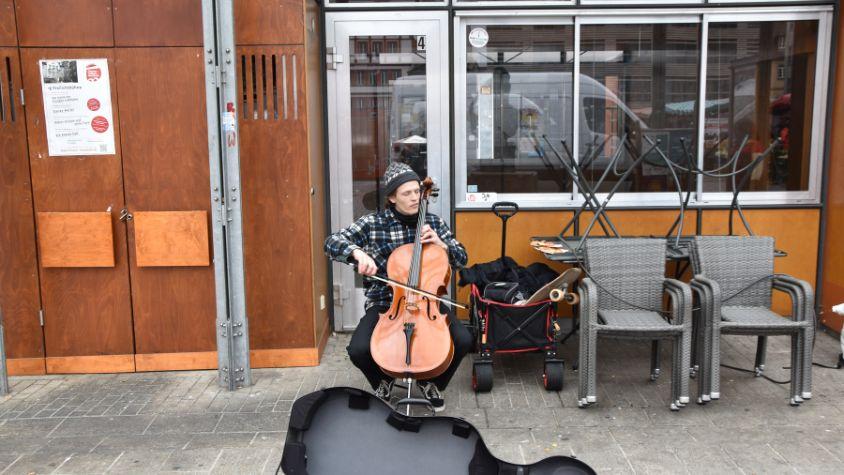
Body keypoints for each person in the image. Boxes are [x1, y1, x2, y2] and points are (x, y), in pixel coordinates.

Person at [324, 162, 473, 412]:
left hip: (429, 303)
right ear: (392, 197)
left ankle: (432, 381)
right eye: (407, 193)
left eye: (417, 191)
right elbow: (332, 242)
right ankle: (383, 380)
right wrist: (358, 253)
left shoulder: (434, 224)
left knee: (464, 340)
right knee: (358, 350)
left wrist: (443, 245)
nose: (415, 197)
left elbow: (463, 258)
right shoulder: (373, 223)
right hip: (388, 303)